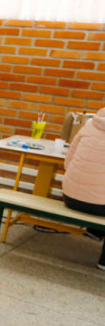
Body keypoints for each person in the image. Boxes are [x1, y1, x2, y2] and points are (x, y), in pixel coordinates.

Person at [61, 107, 105, 270]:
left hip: (70, 198)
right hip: (99, 207)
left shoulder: (89, 124)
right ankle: (104, 261)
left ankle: (95, 231)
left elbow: (68, 162)